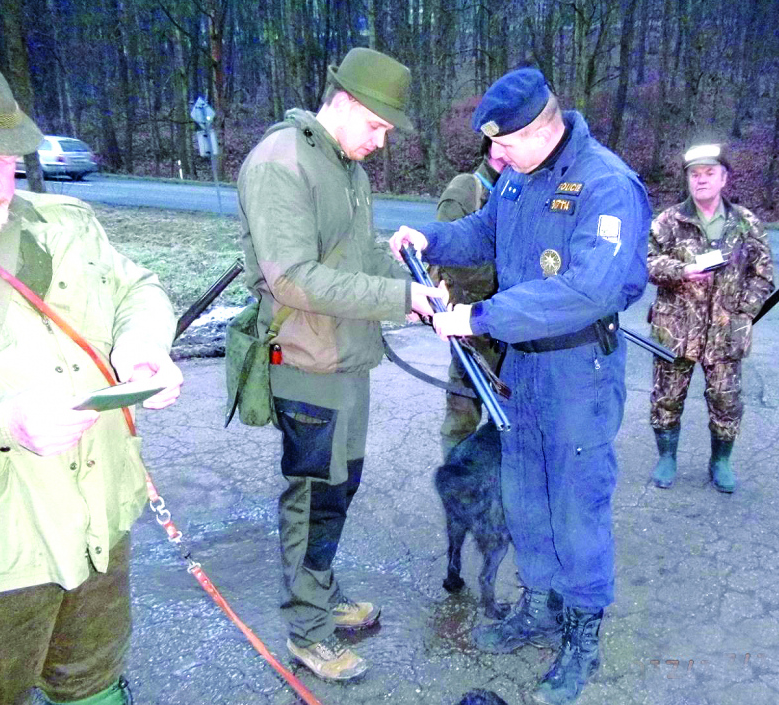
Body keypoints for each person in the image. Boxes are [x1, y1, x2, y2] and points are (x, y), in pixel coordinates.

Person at [390, 67, 651, 705]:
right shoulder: (518, 177)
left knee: (576, 507)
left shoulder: (606, 185)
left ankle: (582, 634)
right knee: (524, 496)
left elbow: (589, 289)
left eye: (503, 145)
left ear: (543, 128)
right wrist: (432, 238)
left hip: (577, 371)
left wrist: (476, 317)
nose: (493, 157)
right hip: (522, 370)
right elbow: (485, 233)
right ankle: (537, 607)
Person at [0, 41, 184, 705]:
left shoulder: (63, 225)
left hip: (102, 522)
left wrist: (142, 348)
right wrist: (2, 420)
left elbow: (140, 288)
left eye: (5, 159)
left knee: (93, 680)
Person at [236, 47, 444, 682]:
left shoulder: (344, 164)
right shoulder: (282, 161)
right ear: (347, 103)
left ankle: (320, 593)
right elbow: (295, 279)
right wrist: (396, 298)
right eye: (378, 126)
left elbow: (356, 261)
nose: (382, 142)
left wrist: (418, 293)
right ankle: (308, 631)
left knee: (338, 489)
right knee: (312, 498)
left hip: (347, 359)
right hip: (305, 361)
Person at [646, 143, 774, 493]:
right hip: (675, 330)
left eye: (709, 173)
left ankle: (720, 462)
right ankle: (667, 457)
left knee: (726, 401)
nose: (700, 180)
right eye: (694, 175)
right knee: (666, 398)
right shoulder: (669, 220)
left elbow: (762, 274)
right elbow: (645, 261)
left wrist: (743, 313)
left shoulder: (746, 223)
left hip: (725, 333)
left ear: (724, 178)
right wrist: (680, 271)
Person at [429, 136, 506, 458]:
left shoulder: (519, 189)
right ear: (488, 145)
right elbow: (439, 253)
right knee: (462, 414)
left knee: (510, 415)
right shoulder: (467, 187)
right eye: (501, 141)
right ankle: (456, 485)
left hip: (509, 325)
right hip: (473, 327)